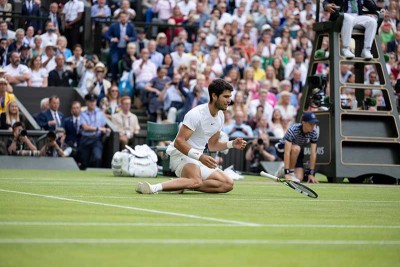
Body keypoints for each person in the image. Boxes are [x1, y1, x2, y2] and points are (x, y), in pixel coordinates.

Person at [136, 78, 247, 194]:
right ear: (214, 96)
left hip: (198, 158)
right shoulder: (196, 114)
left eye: (229, 97)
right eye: (225, 96)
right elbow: (179, 142)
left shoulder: (220, 116)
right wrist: (200, 157)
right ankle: (153, 188)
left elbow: (213, 145)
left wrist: (231, 144)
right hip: (180, 155)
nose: (229, 100)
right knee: (196, 180)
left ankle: (180, 184)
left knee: (228, 184)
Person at [274, 112, 320, 183]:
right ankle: (289, 172)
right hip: (282, 148)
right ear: (303, 123)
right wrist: (287, 173)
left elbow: (313, 153)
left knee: (299, 178)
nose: (313, 126)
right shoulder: (293, 130)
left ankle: (282, 171)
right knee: (296, 148)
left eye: (314, 124)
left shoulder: (314, 133)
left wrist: (311, 174)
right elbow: (287, 152)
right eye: (311, 124)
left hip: (296, 151)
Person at [78, 93, 110, 169]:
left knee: (97, 157)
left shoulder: (100, 113)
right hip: (85, 138)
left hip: (96, 139)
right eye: (90, 101)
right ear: (86, 102)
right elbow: (85, 127)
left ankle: (95, 174)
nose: (92, 103)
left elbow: (103, 125)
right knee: (84, 161)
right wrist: (98, 128)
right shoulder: (82, 113)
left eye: (94, 101)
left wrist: (104, 130)